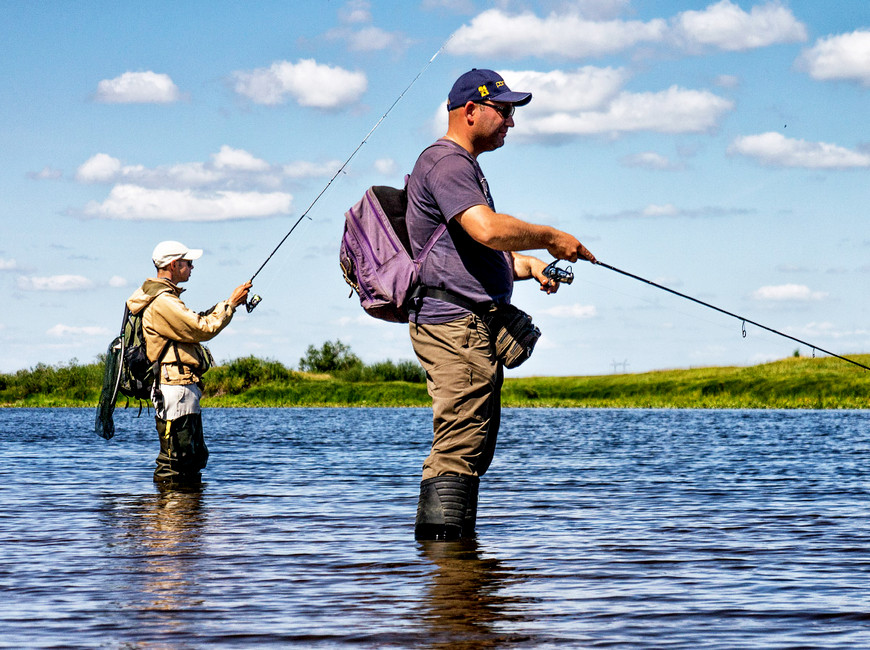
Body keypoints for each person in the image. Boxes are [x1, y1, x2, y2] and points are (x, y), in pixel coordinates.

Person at [406, 68, 597, 540]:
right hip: (456, 327)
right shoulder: (446, 163)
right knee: (459, 447)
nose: (512, 121)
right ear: (470, 111)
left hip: (463, 324)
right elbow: (486, 230)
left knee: (471, 447)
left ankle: (459, 585)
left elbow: (466, 253)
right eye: (505, 110)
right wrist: (552, 237)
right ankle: (450, 586)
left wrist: (529, 266)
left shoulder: (458, 166)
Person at [125, 240, 251, 483]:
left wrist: (226, 304)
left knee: (189, 456)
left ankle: (186, 516)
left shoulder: (162, 298)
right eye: (188, 263)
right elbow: (202, 328)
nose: (192, 267)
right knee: (177, 459)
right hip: (175, 387)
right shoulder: (164, 301)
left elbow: (191, 324)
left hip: (178, 386)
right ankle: (171, 516)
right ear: (174, 265)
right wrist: (231, 305)